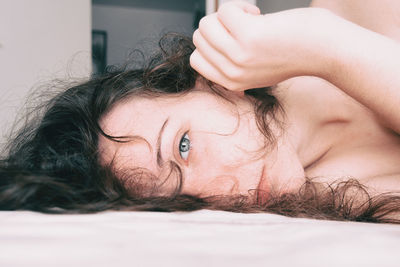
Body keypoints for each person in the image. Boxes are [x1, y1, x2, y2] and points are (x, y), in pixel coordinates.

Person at [1, 0, 400, 223]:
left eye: (184, 145)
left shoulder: (357, 8)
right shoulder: (348, 203)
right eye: (188, 202)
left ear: (206, 80)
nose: (221, 191)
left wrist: (324, 44)